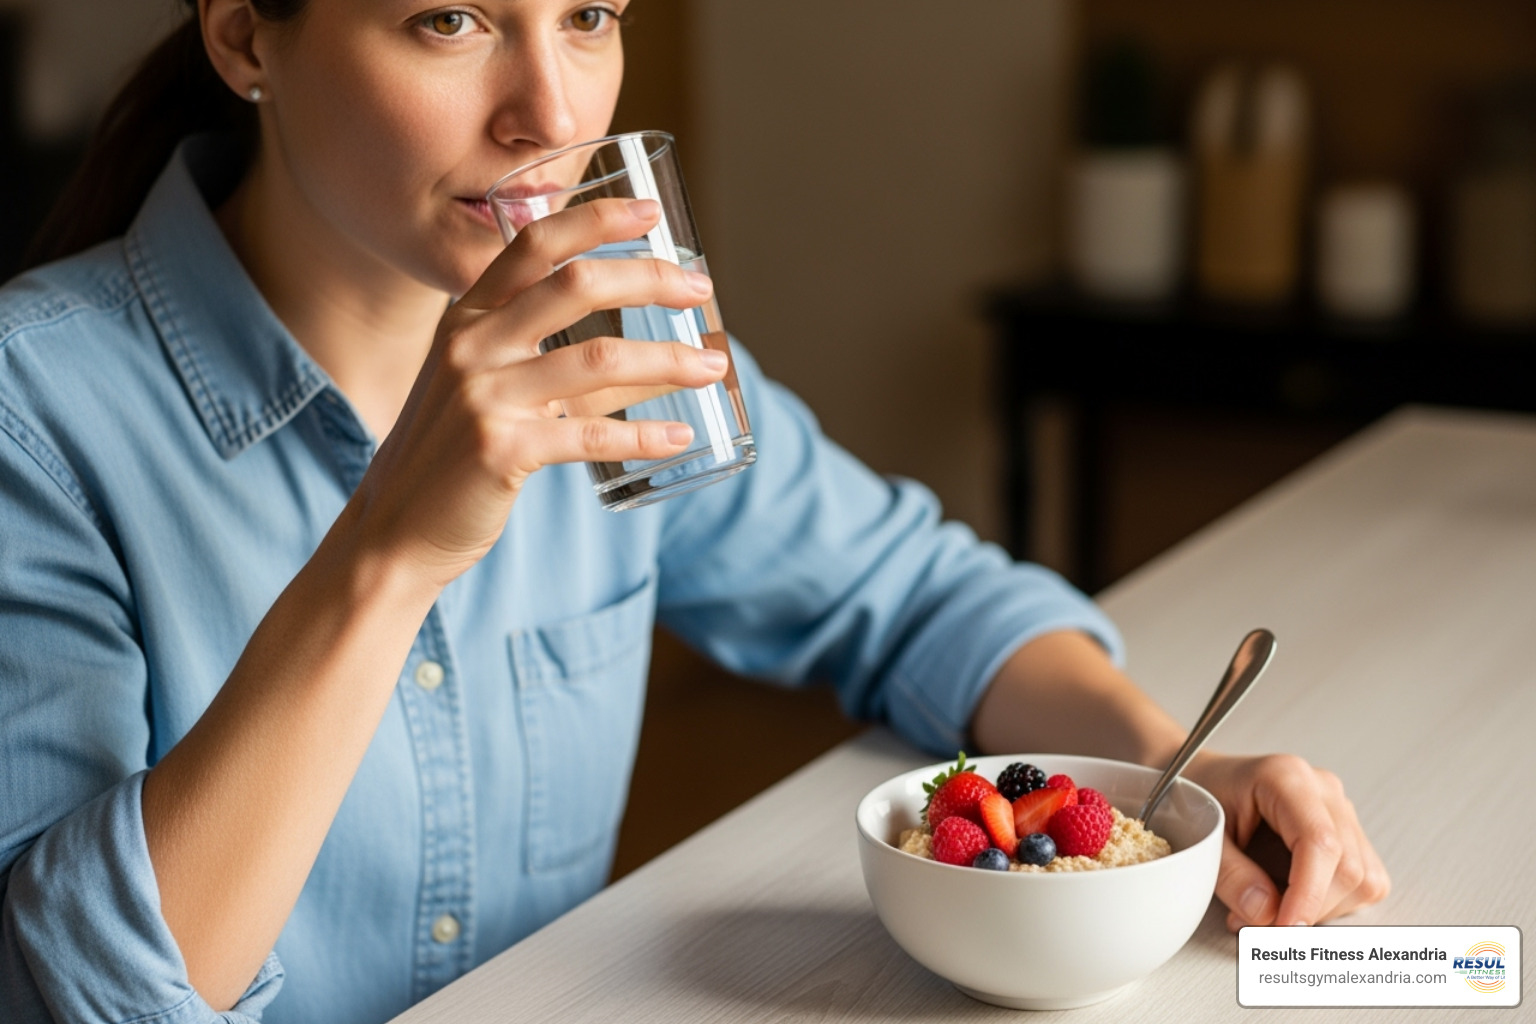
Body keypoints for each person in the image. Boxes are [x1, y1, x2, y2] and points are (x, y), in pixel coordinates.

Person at [0, 2, 1389, 1022]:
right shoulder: (37, 413)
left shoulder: (609, 343)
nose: (551, 113)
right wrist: (391, 554)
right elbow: (77, 991)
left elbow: (911, 596)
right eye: (449, 22)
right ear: (244, 35)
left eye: (590, 16)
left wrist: (1164, 775)